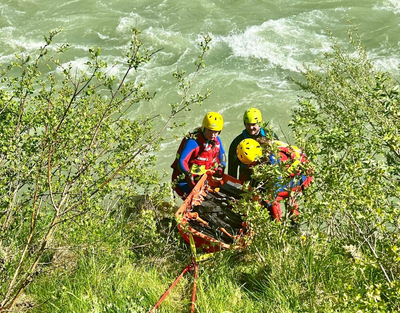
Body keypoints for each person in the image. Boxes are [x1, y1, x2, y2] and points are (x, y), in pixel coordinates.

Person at [236, 138, 313, 222]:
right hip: (292, 171)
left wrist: (263, 203)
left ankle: (278, 225)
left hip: (304, 175)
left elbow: (275, 190)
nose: (252, 165)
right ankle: (293, 217)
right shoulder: (261, 148)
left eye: (254, 162)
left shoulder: (274, 159)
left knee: (272, 198)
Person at [171, 112, 226, 199]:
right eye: (210, 130)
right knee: (199, 202)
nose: (213, 135)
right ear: (204, 128)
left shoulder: (216, 140)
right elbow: (182, 161)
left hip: (204, 179)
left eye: (216, 132)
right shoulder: (193, 142)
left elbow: (222, 155)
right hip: (185, 181)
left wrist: (222, 166)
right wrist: (188, 174)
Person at [228, 108, 278, 182]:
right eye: (248, 124)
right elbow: (232, 169)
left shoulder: (270, 136)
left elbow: (279, 157)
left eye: (253, 124)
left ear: (260, 123)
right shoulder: (237, 142)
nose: (251, 127)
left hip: (266, 176)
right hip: (247, 178)